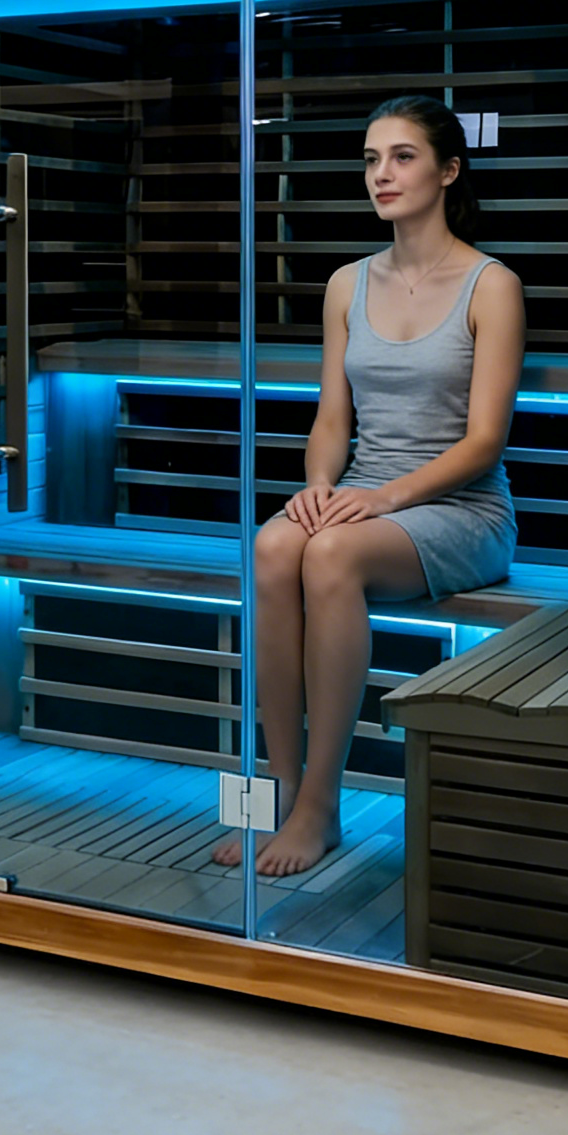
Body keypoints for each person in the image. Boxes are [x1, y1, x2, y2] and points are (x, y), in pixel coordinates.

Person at [213, 95, 524, 875]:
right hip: (361, 498)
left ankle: (321, 804)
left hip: (462, 509)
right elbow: (330, 418)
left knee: (328, 555)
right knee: (275, 544)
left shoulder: (490, 285)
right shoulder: (346, 284)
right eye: (370, 159)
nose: (381, 173)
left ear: (448, 171)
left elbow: (484, 441)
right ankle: (281, 793)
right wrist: (319, 485)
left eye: (402, 156)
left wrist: (380, 499)